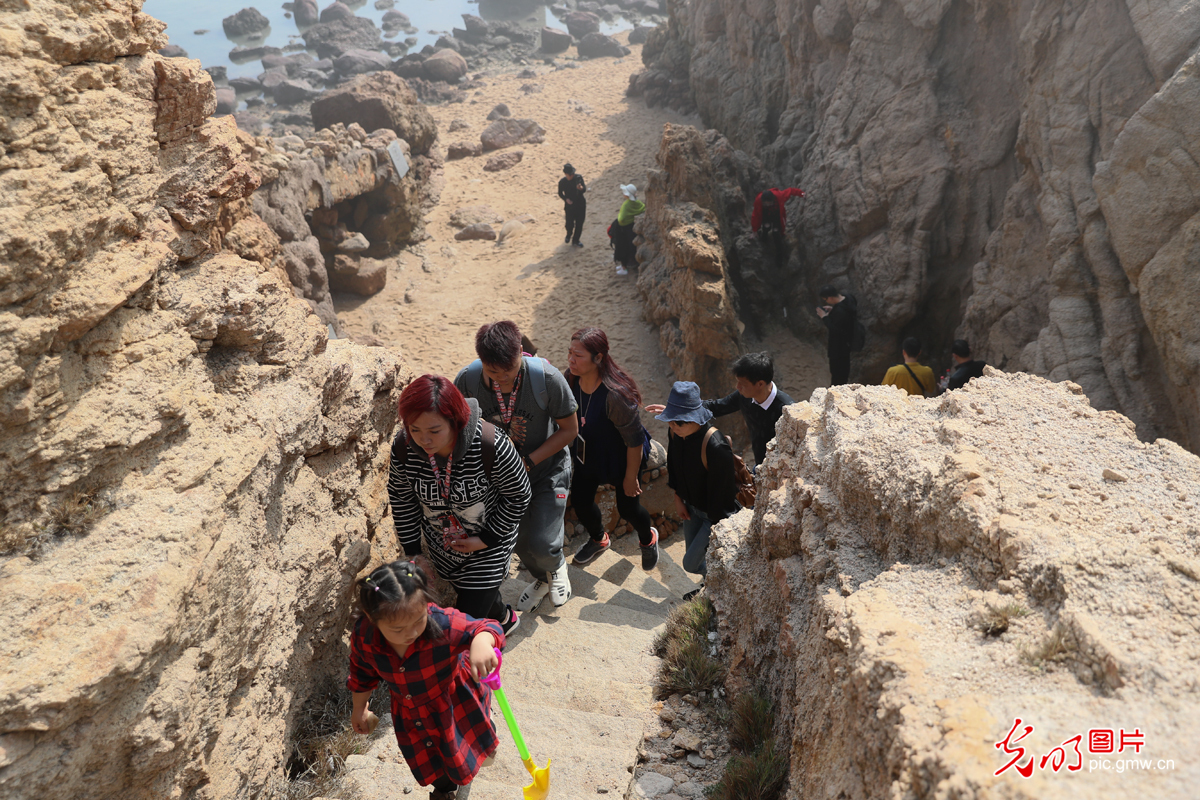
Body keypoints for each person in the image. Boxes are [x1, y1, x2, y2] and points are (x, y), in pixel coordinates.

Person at [388, 374, 532, 635]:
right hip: (443, 545)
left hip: (489, 545)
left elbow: (519, 494)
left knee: (460, 629)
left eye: (434, 430)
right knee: (471, 593)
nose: (424, 440)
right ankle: (503, 616)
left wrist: (486, 538)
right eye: (415, 429)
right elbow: (402, 498)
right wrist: (413, 552)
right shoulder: (403, 447)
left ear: (455, 422)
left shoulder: (490, 444)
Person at [348, 559, 502, 800]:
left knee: (463, 746)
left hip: (454, 701)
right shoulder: (364, 635)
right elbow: (361, 672)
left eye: (418, 620)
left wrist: (482, 641)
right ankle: (444, 788)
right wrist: (360, 708)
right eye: (397, 629)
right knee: (428, 760)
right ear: (371, 616)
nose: (411, 633)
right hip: (410, 712)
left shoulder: (442, 623)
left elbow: (486, 626)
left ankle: (481, 739)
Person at [454, 321, 579, 613]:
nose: (501, 380)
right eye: (493, 372)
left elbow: (569, 430)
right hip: (501, 479)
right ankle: (542, 578)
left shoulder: (547, 379)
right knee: (518, 541)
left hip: (546, 469)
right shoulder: (468, 381)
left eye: (508, 371)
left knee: (542, 540)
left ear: (521, 352)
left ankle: (557, 566)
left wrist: (529, 460)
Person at [565, 327, 659, 571]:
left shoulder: (615, 395)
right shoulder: (570, 379)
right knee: (581, 501)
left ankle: (648, 539)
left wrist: (630, 477)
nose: (571, 360)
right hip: (589, 454)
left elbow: (635, 440)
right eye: (570, 353)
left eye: (578, 355)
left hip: (621, 458)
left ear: (598, 358)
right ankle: (598, 539)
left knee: (629, 508)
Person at [655, 382, 740, 599]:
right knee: (697, 558)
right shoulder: (675, 432)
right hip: (691, 509)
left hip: (714, 515)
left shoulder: (715, 446)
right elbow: (673, 466)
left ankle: (722, 585)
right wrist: (678, 497)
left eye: (679, 421)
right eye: (670, 420)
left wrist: (713, 525)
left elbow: (723, 495)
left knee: (690, 563)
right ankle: (710, 587)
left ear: (695, 419)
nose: (673, 425)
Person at [645, 351, 793, 471]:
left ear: (760, 384)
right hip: (760, 465)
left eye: (742, 384)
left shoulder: (787, 410)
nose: (737, 387)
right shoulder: (745, 397)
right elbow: (716, 406)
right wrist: (676, 410)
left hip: (780, 470)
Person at [751, 187, 805, 267]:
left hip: (776, 214)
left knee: (776, 233)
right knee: (766, 227)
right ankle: (764, 238)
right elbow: (755, 215)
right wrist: (755, 229)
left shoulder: (779, 196)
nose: (767, 205)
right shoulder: (759, 201)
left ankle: (779, 257)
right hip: (765, 215)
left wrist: (802, 194)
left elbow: (791, 191)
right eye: (765, 204)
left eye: (769, 203)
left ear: (772, 200)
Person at [815, 285, 858, 386]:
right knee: (844, 372)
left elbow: (835, 329)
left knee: (837, 374)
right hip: (848, 343)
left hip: (838, 348)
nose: (826, 302)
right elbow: (842, 318)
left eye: (825, 299)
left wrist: (824, 317)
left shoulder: (840, 311)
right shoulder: (848, 298)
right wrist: (833, 310)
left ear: (830, 298)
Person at [609, 183, 645, 276]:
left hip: (623, 229)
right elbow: (643, 208)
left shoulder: (627, 204)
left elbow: (621, 219)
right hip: (631, 228)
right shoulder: (637, 203)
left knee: (622, 247)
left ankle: (624, 267)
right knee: (630, 246)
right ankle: (627, 264)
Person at [558, 163, 586, 247]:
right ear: (566, 174)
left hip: (580, 204)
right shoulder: (562, 182)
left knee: (579, 224)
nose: (572, 175)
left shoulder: (578, 178)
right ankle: (568, 234)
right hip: (569, 206)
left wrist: (580, 188)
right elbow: (560, 193)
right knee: (569, 223)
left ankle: (576, 240)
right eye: (570, 174)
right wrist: (565, 199)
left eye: (572, 173)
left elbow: (584, 189)